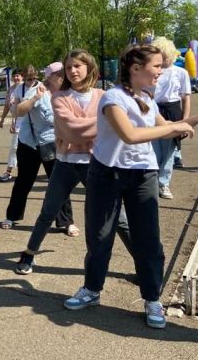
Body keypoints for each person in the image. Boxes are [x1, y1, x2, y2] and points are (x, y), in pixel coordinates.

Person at [64, 44, 198, 329]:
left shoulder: (146, 97)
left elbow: (166, 124)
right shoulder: (113, 98)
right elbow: (131, 135)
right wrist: (171, 129)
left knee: (148, 240)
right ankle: (92, 290)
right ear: (135, 69)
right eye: (157, 66)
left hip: (142, 174)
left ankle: (152, 299)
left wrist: (193, 120)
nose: (161, 71)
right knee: (100, 237)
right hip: (106, 174)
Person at [16, 51, 133, 274]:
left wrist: (112, 123)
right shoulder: (59, 97)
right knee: (48, 212)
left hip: (98, 164)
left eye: (77, 66)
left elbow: (120, 122)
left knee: (118, 217)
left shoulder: (102, 95)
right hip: (65, 164)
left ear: (89, 68)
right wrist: (109, 122)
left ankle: (143, 264)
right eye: (69, 68)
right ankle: (29, 253)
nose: (72, 71)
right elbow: (72, 132)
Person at [1, 65, 74, 234]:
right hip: (30, 142)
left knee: (59, 183)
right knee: (24, 182)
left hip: (53, 142)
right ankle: (12, 216)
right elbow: (19, 111)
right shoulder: (39, 89)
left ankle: (67, 221)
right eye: (61, 76)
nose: (64, 79)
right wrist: (35, 98)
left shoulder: (68, 93)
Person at [149, 37, 191, 199]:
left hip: (173, 110)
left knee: (169, 151)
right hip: (153, 109)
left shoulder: (181, 73)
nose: (165, 61)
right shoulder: (152, 72)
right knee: (154, 150)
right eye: (161, 57)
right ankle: (152, 182)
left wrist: (185, 120)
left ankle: (163, 182)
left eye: (167, 57)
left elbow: (186, 98)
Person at [0, 69, 24, 182]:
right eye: (14, 76)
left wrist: (14, 121)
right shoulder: (11, 89)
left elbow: (21, 108)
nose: (16, 78)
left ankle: (52, 171)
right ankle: (8, 172)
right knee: (15, 147)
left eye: (18, 76)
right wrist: (2, 119)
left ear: (22, 77)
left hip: (26, 122)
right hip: (17, 122)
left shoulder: (25, 88)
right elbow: (7, 106)